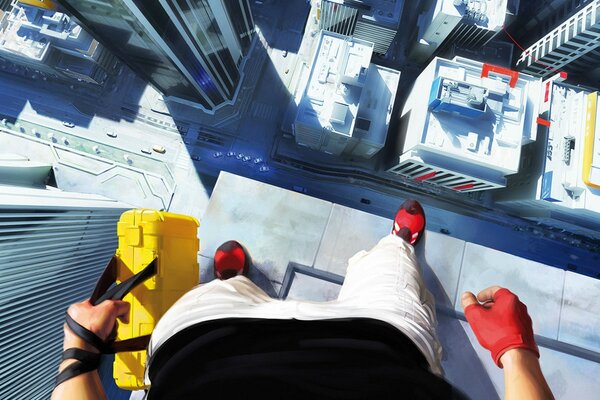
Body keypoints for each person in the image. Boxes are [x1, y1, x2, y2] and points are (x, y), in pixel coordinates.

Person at [52, 200, 554, 400]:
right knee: (388, 269)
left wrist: (78, 356)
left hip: (204, 344)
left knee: (219, 294)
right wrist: (514, 347)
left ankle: (234, 283)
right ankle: (398, 243)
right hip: (376, 347)